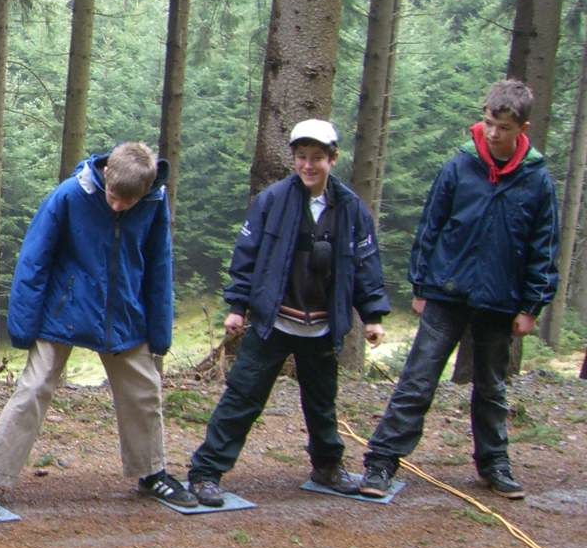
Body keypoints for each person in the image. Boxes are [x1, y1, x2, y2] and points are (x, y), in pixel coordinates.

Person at [0, 141, 196, 516]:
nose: (118, 206)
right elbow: (34, 259)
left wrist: (160, 331)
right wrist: (23, 324)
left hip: (123, 314)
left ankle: (152, 472)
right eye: (114, 196)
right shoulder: (70, 195)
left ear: (145, 191)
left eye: (128, 202)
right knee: (33, 387)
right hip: (64, 309)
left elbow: (159, 267)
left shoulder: (154, 204)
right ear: (107, 174)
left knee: (144, 389)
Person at [360, 80, 559, 500]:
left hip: (500, 300)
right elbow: (430, 227)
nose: (493, 133)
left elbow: (543, 248)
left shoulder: (537, 180)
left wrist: (532, 306)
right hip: (445, 292)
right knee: (417, 380)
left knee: (491, 388)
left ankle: (494, 464)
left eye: (503, 128)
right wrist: (420, 284)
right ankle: (381, 462)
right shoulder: (459, 166)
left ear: (522, 128)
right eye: (488, 123)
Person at [185, 119, 390, 506]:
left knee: (322, 403)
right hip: (273, 322)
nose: (308, 165)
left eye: (317, 157)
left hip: (323, 327)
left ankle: (327, 467)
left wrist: (373, 315)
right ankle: (205, 473)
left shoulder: (351, 208)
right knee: (242, 398)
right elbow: (245, 257)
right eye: (301, 157)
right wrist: (237, 307)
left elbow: (366, 264)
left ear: (333, 159)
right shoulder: (272, 201)